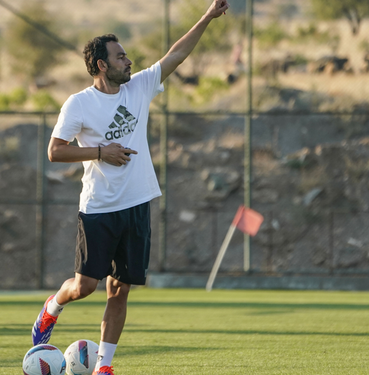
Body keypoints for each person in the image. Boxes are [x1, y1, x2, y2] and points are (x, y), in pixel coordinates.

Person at [31, 1, 229, 374]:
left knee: (119, 289)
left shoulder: (139, 88)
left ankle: (104, 366)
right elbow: (55, 152)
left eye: (127, 55)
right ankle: (52, 308)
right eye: (121, 57)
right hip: (99, 208)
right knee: (85, 286)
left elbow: (178, 53)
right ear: (102, 65)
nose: (129, 61)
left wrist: (206, 17)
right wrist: (100, 152)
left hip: (137, 205)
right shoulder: (79, 104)